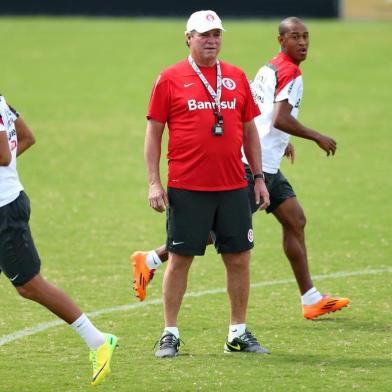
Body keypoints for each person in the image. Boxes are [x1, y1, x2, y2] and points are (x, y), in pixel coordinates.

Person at [131, 16, 350, 321]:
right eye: (296, 37)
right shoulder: (290, 74)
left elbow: (250, 111)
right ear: (281, 41)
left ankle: (310, 299)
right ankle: (151, 259)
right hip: (247, 168)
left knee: (295, 220)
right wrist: (316, 136)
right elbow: (278, 118)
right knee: (222, 234)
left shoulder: (267, 68)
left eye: (306, 37)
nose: (302, 43)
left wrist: (279, 141)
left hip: (265, 164)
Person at [143, 10, 271, 358]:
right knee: (181, 259)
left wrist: (258, 178)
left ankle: (238, 333)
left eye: (216, 34)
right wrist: (155, 183)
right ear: (188, 38)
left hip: (233, 186)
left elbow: (249, 131)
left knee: (239, 259)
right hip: (187, 187)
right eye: (204, 35)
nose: (211, 40)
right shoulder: (169, 78)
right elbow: (154, 132)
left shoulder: (235, 76)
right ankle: (170, 333)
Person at [0, 94, 118, 386]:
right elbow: (26, 137)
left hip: (4, 211)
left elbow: (3, 155)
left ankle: (98, 341)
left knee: (29, 285)